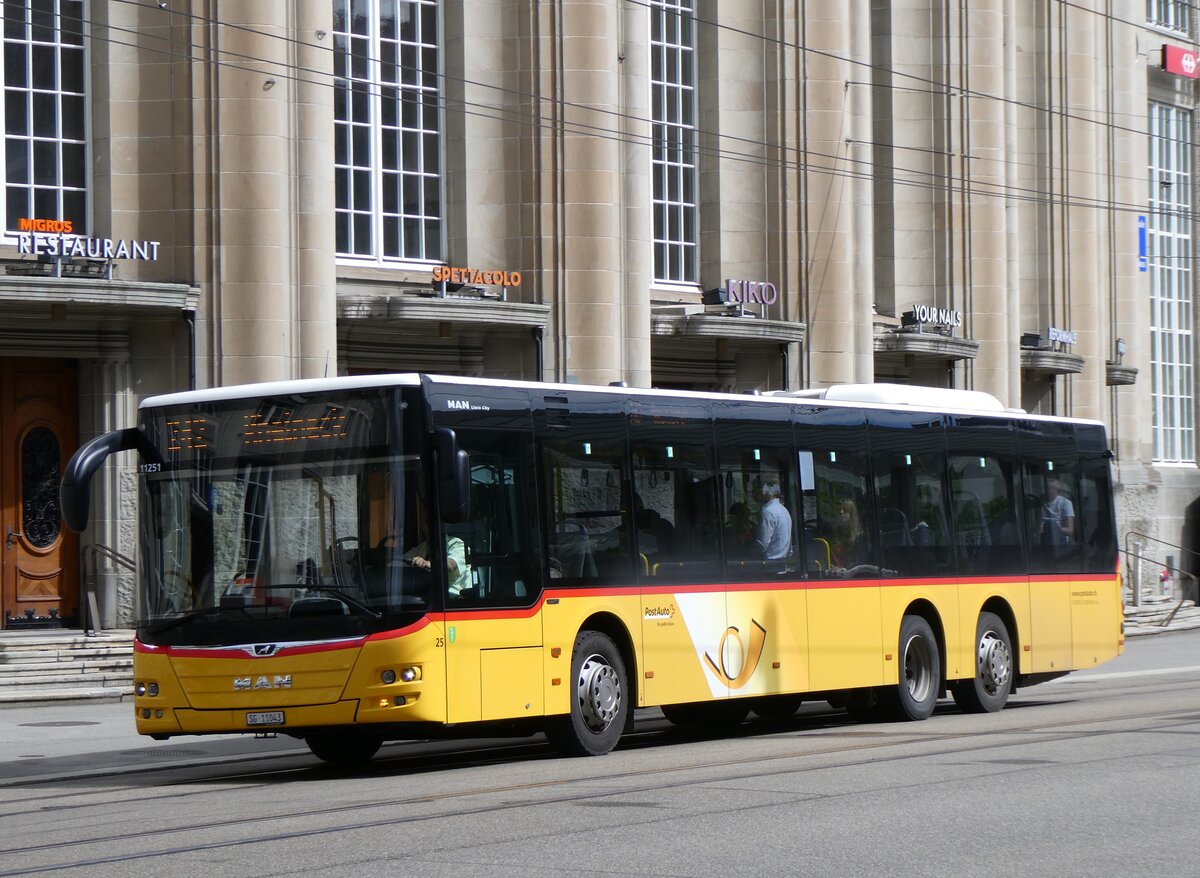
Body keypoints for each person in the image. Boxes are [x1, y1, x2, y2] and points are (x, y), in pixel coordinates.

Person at [402, 498, 471, 595]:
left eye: (434, 522)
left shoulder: (457, 544)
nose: (430, 526)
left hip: (452, 601)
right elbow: (398, 563)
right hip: (426, 599)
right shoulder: (421, 548)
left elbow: (450, 564)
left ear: (446, 525)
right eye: (427, 522)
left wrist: (427, 564)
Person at [756, 476, 792, 562]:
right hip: (782, 562)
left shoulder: (768, 512)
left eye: (757, 489)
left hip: (770, 564)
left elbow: (763, 543)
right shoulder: (784, 510)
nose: (755, 492)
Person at [1042, 478, 1075, 545]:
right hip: (1045, 541)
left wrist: (1054, 530)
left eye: (1053, 488)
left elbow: (1070, 530)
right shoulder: (1043, 504)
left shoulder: (1065, 503)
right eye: (1048, 488)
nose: (1051, 491)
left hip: (1062, 542)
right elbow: (1040, 528)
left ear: (1057, 489)